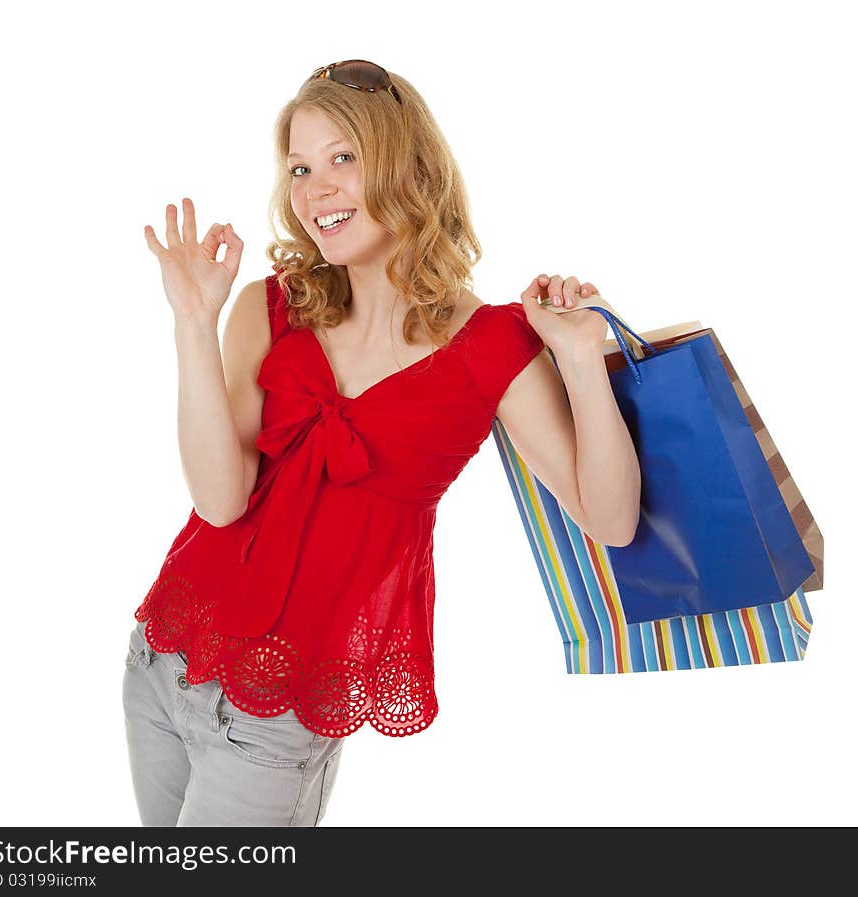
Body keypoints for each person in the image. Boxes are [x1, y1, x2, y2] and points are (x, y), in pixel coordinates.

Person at [122, 59, 641, 827]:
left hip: (275, 716)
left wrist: (576, 358)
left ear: (411, 167)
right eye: (301, 167)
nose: (315, 187)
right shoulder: (268, 307)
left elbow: (612, 518)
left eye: (344, 158)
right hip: (163, 657)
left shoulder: (489, 343)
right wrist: (194, 322)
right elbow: (219, 499)